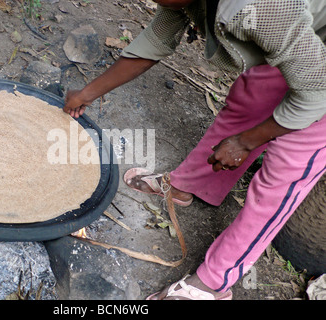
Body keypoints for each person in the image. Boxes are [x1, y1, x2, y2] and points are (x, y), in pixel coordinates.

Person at [63, 0, 326, 300]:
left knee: (283, 176)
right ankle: (188, 186)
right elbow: (156, 40)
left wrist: (246, 142)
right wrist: (87, 94)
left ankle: (214, 283)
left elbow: (316, 94)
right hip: (303, 41)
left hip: (321, 82)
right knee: (248, 101)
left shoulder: (260, 7)